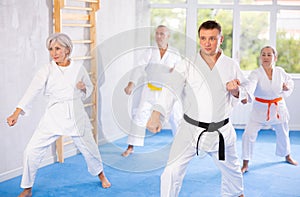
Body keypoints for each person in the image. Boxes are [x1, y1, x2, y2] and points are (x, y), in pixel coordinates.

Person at [147, 20, 247, 197]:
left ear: (221, 39)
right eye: (203, 38)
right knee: (171, 172)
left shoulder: (231, 65)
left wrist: (237, 90)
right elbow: (171, 88)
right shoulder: (187, 63)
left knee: (233, 173)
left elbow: (245, 94)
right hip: (190, 130)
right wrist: (157, 113)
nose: (207, 43)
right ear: (199, 39)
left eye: (212, 38)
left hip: (221, 131)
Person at [6, 33, 111, 197]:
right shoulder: (46, 70)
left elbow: (89, 89)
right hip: (54, 114)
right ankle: (27, 188)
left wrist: (83, 87)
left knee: (90, 149)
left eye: (57, 48)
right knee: (31, 151)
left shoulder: (78, 68)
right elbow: (32, 91)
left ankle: (101, 175)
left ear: (67, 49)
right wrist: (16, 112)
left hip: (76, 114)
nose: (53, 53)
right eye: (50, 49)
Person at [122, 25, 182, 157]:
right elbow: (138, 68)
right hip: (150, 90)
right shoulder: (149, 51)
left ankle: (181, 147)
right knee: (139, 115)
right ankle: (131, 146)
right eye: (157, 34)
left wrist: (175, 72)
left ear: (168, 36)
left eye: (162, 34)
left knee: (176, 118)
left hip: (168, 92)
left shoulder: (174, 53)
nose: (159, 37)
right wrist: (131, 84)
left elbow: (181, 71)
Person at [241, 46, 298, 173]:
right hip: (260, 109)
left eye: (269, 55)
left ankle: (287, 155)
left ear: (275, 58)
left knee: (283, 133)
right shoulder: (256, 73)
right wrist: (246, 95)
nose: (266, 57)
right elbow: (251, 85)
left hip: (278, 108)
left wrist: (287, 86)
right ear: (260, 57)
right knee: (248, 134)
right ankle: (245, 162)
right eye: (263, 54)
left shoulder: (280, 71)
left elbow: (290, 82)